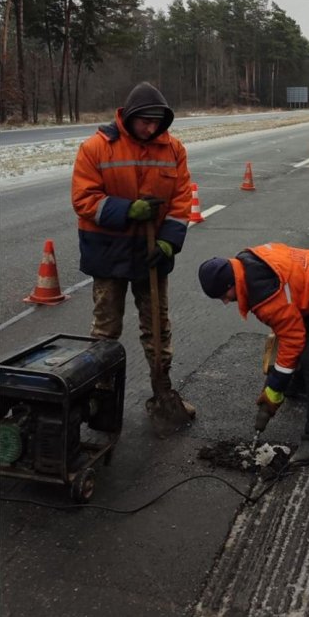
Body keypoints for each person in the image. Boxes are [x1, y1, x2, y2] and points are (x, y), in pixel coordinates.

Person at [71, 81, 195, 421]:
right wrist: (128, 210)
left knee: (157, 326)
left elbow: (181, 200)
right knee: (106, 329)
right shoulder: (97, 148)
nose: (151, 128)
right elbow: (84, 200)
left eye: (157, 122)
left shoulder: (173, 150)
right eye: (145, 121)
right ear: (130, 116)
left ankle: (162, 391)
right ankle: (99, 397)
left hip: (152, 252)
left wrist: (169, 241)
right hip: (107, 252)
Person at [198, 243, 309, 463]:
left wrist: (275, 386)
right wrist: (278, 381)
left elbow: (292, 340)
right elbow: (287, 324)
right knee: (299, 344)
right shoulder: (247, 262)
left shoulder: (267, 297)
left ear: (232, 281)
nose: (226, 301)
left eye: (224, 295)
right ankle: (299, 386)